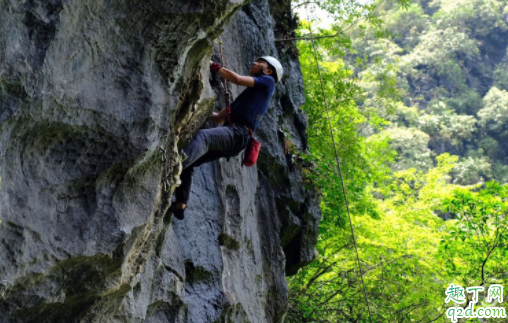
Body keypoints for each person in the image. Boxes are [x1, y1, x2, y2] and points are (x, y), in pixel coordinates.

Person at [168, 56, 283, 220]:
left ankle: (173, 169)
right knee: (191, 162)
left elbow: (236, 79)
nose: (253, 62)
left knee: (203, 137)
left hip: (238, 134)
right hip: (236, 138)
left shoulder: (268, 82)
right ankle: (180, 205)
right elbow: (218, 118)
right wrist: (194, 108)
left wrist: (212, 65)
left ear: (268, 70)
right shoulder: (250, 97)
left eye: (259, 62)